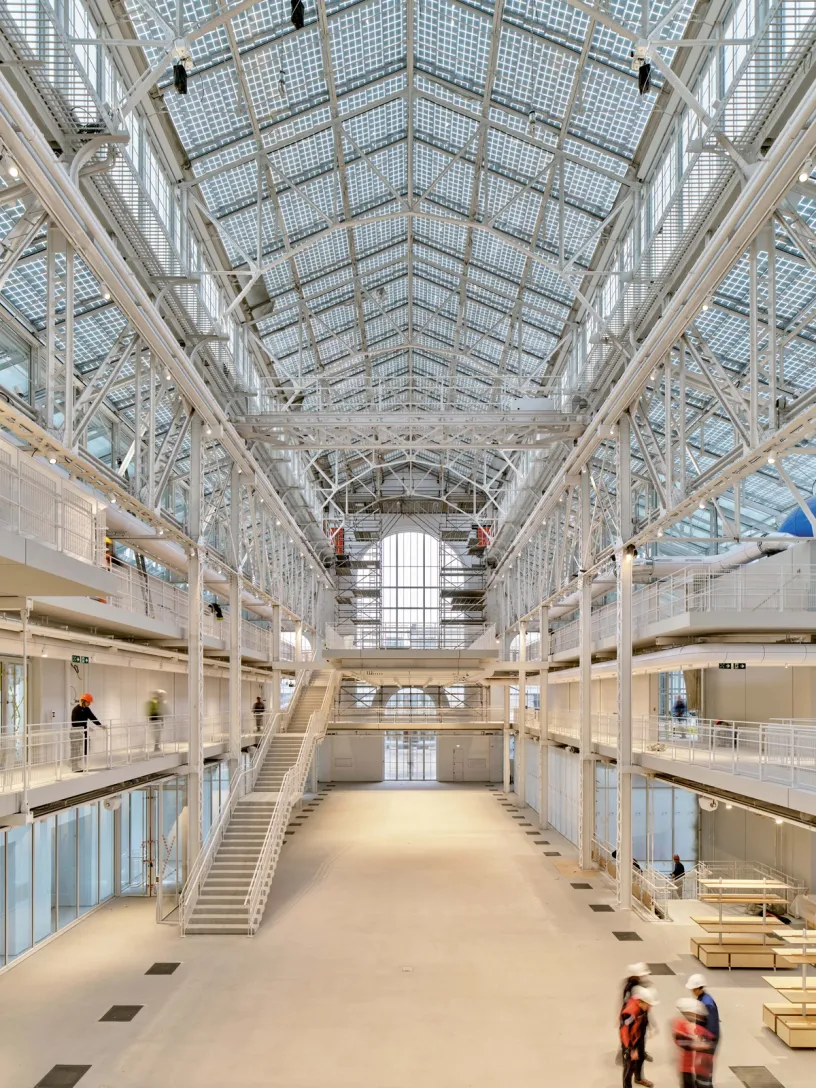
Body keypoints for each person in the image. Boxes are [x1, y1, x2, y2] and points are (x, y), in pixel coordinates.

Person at [672, 997, 714, 1088]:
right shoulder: (680, 1024)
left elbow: (707, 1035)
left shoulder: (691, 1023)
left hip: (695, 1064)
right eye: (696, 1015)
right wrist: (698, 1046)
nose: (698, 1017)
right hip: (686, 1066)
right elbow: (680, 1042)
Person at [620, 985, 656, 1088]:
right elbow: (625, 1031)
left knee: (640, 1057)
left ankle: (638, 1078)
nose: (650, 1007)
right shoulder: (630, 1013)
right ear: (641, 1001)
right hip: (628, 1040)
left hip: (637, 1035)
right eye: (648, 1005)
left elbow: (642, 1019)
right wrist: (631, 1049)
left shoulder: (643, 1006)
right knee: (629, 1065)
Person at [686, 974, 720, 1054]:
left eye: (693, 989)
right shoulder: (702, 999)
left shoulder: (707, 1004)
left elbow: (712, 1026)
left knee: (705, 1064)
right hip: (705, 1036)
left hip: (709, 1039)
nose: (692, 992)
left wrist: (706, 1041)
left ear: (699, 988)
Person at [71, 693, 105, 772]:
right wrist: (84, 728)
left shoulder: (86, 709)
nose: (89, 704)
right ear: (83, 701)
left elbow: (92, 717)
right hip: (76, 732)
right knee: (76, 749)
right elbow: (75, 723)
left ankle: (84, 764)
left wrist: (100, 725)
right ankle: (74, 766)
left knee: (86, 747)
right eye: (88, 702)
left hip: (84, 731)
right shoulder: (76, 710)